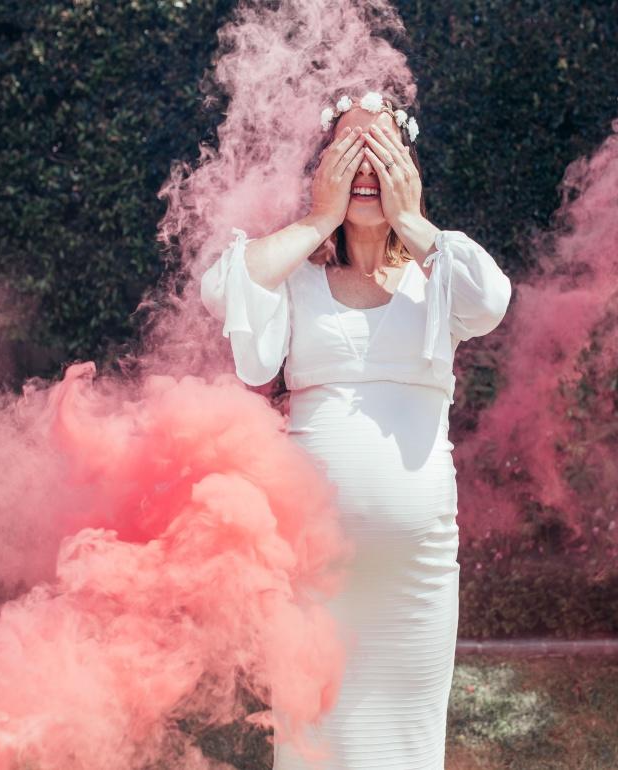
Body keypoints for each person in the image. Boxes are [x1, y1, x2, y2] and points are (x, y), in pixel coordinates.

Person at [200, 90, 512, 770]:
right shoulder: (300, 278)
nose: (366, 165)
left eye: (383, 149)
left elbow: (493, 299)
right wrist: (319, 219)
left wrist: (413, 219)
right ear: (326, 166)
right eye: (350, 148)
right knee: (316, 743)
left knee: (406, 745)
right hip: (318, 569)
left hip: (418, 573)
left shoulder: (440, 276)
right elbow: (224, 288)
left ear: (408, 165)